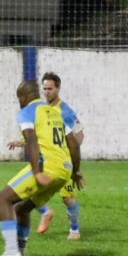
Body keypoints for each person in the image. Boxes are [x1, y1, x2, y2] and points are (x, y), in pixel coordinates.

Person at [0, 80, 82, 256]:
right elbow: (73, 142)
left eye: (19, 99)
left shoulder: (28, 111)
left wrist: (36, 171)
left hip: (47, 166)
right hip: (64, 170)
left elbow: (31, 140)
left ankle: (11, 253)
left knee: (2, 199)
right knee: (22, 208)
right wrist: (75, 171)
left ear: (23, 97)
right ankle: (20, 254)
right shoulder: (55, 111)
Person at [32, 72, 84, 240]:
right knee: (30, 190)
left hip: (63, 162)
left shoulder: (65, 111)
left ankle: (74, 231)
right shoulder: (43, 109)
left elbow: (79, 134)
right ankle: (46, 212)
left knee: (67, 198)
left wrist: (68, 154)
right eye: (44, 88)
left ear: (58, 89)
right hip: (46, 161)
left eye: (50, 89)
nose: (47, 92)